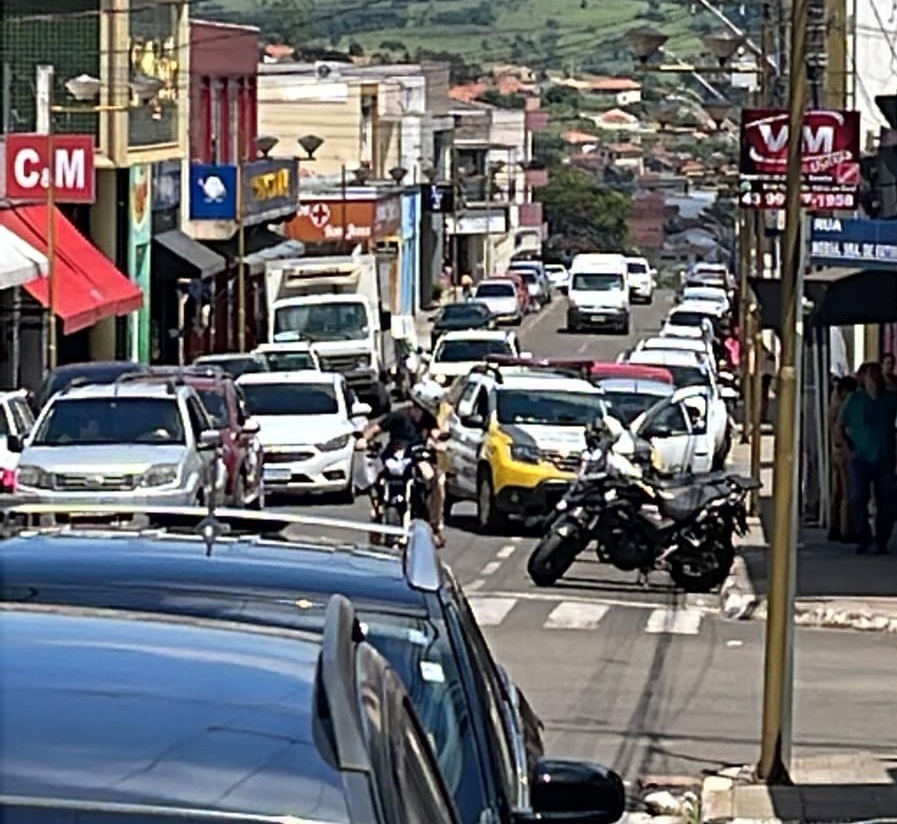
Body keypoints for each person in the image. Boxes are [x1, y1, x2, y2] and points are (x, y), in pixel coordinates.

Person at [359, 381, 448, 546]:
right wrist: (364, 440)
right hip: (393, 460)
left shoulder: (428, 419)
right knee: (375, 489)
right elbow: (376, 428)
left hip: (416, 458)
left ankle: (434, 527)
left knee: (434, 478)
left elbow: (435, 433)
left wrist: (440, 440)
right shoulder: (399, 415)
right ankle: (375, 533)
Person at [839, 361, 897, 554]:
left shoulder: (890, 400)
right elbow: (840, 424)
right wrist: (846, 447)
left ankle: (881, 540)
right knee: (857, 498)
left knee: (886, 501)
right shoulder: (855, 399)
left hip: (884, 457)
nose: (873, 381)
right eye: (869, 377)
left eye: (876, 376)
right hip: (859, 458)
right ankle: (863, 536)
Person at [828, 375, 857, 542]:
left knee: (838, 491)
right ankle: (847, 528)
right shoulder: (843, 406)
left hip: (836, 449)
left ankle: (836, 525)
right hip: (843, 450)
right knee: (847, 491)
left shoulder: (835, 404)